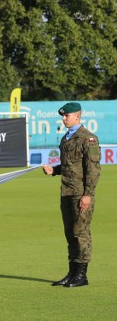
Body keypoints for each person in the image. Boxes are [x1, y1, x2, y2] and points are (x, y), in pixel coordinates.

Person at [42, 102, 101, 288]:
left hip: (80, 193)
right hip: (66, 192)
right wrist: (54, 170)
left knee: (81, 233)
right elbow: (69, 167)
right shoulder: (66, 139)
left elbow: (93, 169)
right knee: (70, 233)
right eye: (63, 116)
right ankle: (72, 272)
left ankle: (82, 274)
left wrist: (88, 194)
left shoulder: (88, 139)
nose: (63, 118)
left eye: (67, 116)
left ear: (77, 116)